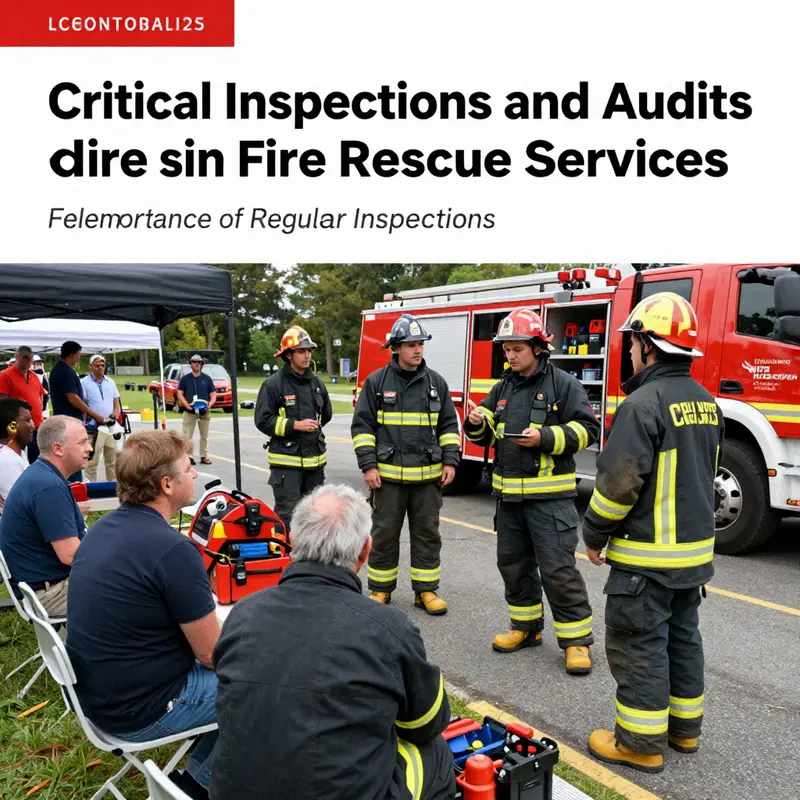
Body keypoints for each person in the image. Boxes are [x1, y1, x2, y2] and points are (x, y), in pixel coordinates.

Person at [212, 483, 455, 800]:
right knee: (434, 753)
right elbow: (425, 722)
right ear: (366, 552)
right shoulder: (388, 628)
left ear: (291, 541)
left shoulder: (243, 612)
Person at [584, 293, 724, 773]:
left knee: (638, 644)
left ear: (647, 344)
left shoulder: (642, 403)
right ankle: (685, 732)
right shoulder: (708, 404)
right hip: (692, 559)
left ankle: (639, 744)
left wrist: (594, 534)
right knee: (683, 639)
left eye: (631, 341)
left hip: (646, 561)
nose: (627, 351)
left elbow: (619, 484)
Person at [66, 430, 220, 800]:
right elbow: (213, 654)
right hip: (140, 711)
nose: (196, 473)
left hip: (100, 697)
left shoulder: (102, 529)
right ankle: (198, 785)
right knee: (266, 687)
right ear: (167, 484)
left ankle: (195, 774)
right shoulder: (172, 551)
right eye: (189, 467)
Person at [462, 308, 598, 675]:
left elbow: (588, 430)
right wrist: (476, 422)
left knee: (558, 571)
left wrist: (546, 438)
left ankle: (577, 643)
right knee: (514, 567)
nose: (510, 355)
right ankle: (525, 628)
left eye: (517, 348)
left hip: (550, 503)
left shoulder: (563, 385)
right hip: (509, 502)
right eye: (506, 349)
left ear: (538, 347)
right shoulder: (502, 388)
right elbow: (485, 434)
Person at [351, 314, 460, 615]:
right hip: (388, 480)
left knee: (427, 535)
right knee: (385, 534)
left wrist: (450, 460)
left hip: (427, 479)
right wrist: (368, 466)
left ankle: (426, 591)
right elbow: (362, 428)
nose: (417, 350)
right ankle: (380, 590)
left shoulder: (436, 382)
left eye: (420, 344)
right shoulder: (376, 383)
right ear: (396, 348)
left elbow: (450, 425)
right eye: (411, 344)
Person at [0, 416, 91, 617]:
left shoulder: (42, 476)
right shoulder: (48, 487)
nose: (90, 448)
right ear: (58, 448)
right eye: (82, 442)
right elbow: (71, 555)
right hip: (49, 594)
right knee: (140, 590)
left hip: (46, 586)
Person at [254, 326, 332, 532]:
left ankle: (309, 561)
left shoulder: (317, 383)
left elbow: (327, 414)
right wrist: (295, 426)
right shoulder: (273, 385)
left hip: (315, 464)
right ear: (288, 355)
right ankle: (285, 560)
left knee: (314, 516)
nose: (307, 355)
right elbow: (262, 420)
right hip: (286, 465)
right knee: (288, 516)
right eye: (301, 351)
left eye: (309, 350)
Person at [49, 341, 104, 481]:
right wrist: (94, 414)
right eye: (78, 354)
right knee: (73, 457)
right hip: (68, 422)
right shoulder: (64, 371)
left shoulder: (65, 370)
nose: (79, 358)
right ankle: (74, 488)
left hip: (71, 420)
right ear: (72, 354)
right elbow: (73, 398)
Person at [0, 346, 45, 464]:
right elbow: (3, 403)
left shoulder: (34, 376)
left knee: (35, 461)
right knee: (19, 461)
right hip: (18, 429)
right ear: (16, 356)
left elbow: (40, 396)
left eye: (30, 359)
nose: (28, 361)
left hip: (35, 427)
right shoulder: (5, 375)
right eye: (25, 357)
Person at [80, 354, 121, 482]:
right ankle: (90, 488)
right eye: (97, 365)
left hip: (110, 426)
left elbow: (116, 403)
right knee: (92, 462)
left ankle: (113, 489)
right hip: (94, 427)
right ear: (91, 367)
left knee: (112, 461)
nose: (100, 368)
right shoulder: (84, 382)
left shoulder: (110, 382)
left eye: (102, 365)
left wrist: (115, 414)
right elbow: (84, 404)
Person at [176, 355, 217, 466]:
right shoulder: (185, 379)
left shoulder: (207, 379)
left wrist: (210, 404)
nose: (196, 364)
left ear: (202, 365)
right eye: (194, 362)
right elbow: (179, 393)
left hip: (204, 410)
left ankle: (204, 456)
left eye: (198, 362)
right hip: (190, 410)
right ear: (191, 364)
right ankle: (188, 456)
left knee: (204, 435)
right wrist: (186, 405)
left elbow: (213, 394)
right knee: (187, 435)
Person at [0, 399, 34, 515]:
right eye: (27, 421)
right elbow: (21, 506)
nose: (33, 426)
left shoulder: (17, 453)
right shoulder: (6, 460)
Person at [31, 355, 50, 419]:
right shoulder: (31, 375)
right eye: (36, 363)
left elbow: (46, 388)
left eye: (40, 363)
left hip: (44, 401)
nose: (39, 365)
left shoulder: (42, 374)